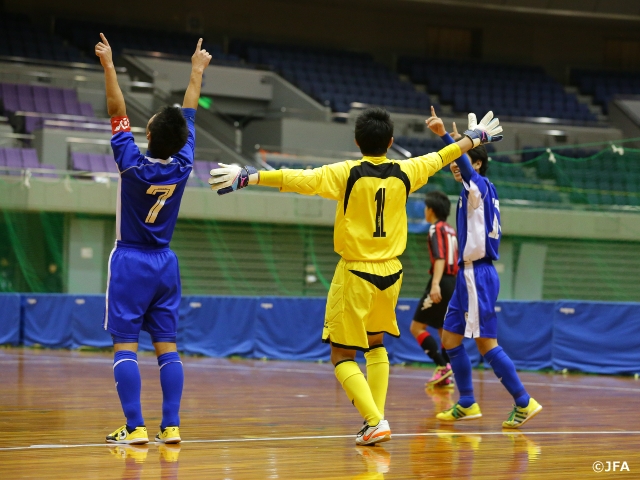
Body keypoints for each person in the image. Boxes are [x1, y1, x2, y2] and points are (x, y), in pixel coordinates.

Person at [208, 107, 503, 445]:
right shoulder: (408, 169)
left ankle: (375, 420)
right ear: (391, 142)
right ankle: (375, 421)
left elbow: (296, 178)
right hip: (392, 273)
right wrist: (475, 138)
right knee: (376, 346)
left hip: (356, 273)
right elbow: (443, 155)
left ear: (356, 141)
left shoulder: (345, 172)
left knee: (341, 355)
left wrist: (251, 176)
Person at [95, 33, 212, 444]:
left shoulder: (131, 164)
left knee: (125, 346)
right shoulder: (183, 163)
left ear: (148, 133)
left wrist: (109, 66)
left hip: (130, 261)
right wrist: (196, 71)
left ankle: (134, 427)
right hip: (165, 263)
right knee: (168, 347)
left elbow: (115, 109)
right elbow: (191, 110)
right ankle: (172, 426)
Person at [426, 110, 542, 428]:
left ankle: (523, 401)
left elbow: (462, 161)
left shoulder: (477, 187)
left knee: (485, 343)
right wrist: (463, 143)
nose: (453, 163)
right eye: (452, 159)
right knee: (450, 340)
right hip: (466, 276)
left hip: (478, 274)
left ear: (475, 163)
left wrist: (448, 138)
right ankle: (466, 402)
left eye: (460, 159)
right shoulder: (473, 191)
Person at [409, 189, 458, 387]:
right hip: (454, 282)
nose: (424, 211)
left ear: (432, 210)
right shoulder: (451, 230)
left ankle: (442, 365)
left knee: (416, 327)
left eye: (426, 207)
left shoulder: (434, 229)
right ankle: (445, 374)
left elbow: (440, 258)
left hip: (442, 280)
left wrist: (435, 284)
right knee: (441, 329)